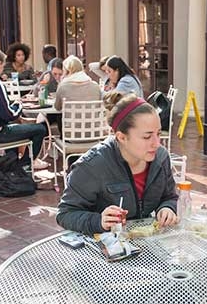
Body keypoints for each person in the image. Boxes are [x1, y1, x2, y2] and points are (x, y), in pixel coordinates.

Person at [57, 93, 179, 235]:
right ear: (121, 137)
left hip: (143, 240)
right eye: (147, 136)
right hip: (101, 246)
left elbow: (169, 196)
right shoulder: (92, 165)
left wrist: (167, 208)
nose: (157, 144)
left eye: (158, 134)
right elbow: (65, 214)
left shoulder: (161, 158)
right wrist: (99, 221)